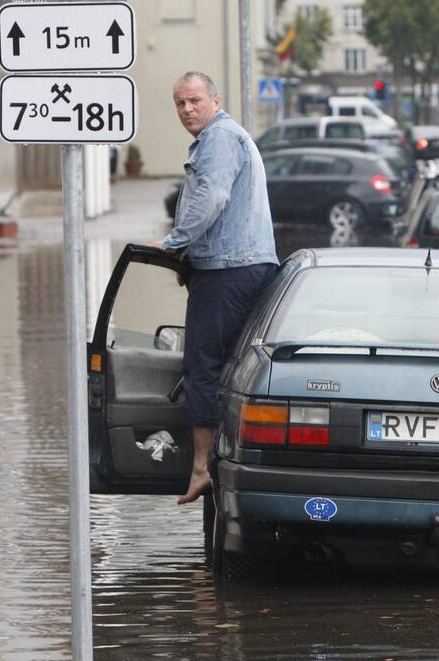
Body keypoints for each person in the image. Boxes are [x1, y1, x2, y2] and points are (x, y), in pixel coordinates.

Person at [157, 71, 279, 505]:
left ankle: (202, 467)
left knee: (202, 365)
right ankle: (226, 459)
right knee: (231, 366)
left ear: (215, 99)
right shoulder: (224, 136)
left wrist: (175, 243)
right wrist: (189, 260)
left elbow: (210, 198)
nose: (187, 109)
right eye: (179, 103)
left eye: (193, 100)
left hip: (229, 270)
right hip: (234, 267)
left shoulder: (219, 139)